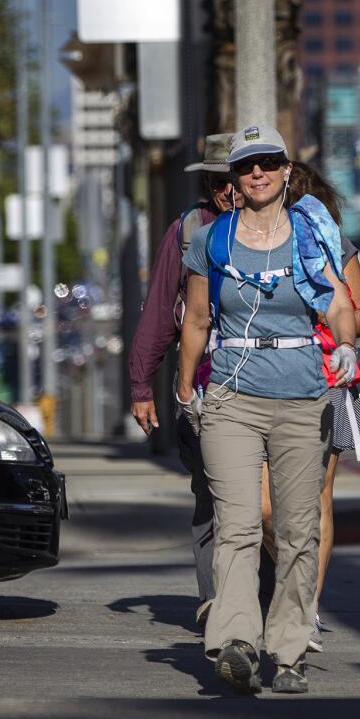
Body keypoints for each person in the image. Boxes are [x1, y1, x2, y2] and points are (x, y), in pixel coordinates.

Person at [176, 125, 358, 695]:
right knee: (237, 524)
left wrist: (346, 343)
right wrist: (186, 391)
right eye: (247, 164)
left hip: (304, 396)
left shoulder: (309, 232)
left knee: (299, 529)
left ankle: (289, 651)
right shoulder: (213, 240)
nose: (257, 172)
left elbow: (339, 300)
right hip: (231, 396)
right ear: (233, 177)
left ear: (285, 170)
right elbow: (198, 319)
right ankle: (235, 641)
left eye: (268, 162)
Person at [258, 161, 360, 653]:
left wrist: (331, 313)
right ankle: (292, 579)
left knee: (316, 501)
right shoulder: (247, 241)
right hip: (262, 382)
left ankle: (307, 609)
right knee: (265, 507)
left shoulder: (333, 246)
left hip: (326, 381)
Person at [127, 133, 242, 628]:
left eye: (232, 179)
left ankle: (262, 597)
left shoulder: (287, 225)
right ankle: (217, 600)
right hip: (203, 385)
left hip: (272, 383)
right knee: (211, 494)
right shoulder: (190, 229)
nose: (226, 191)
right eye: (215, 182)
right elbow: (158, 314)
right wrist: (140, 386)